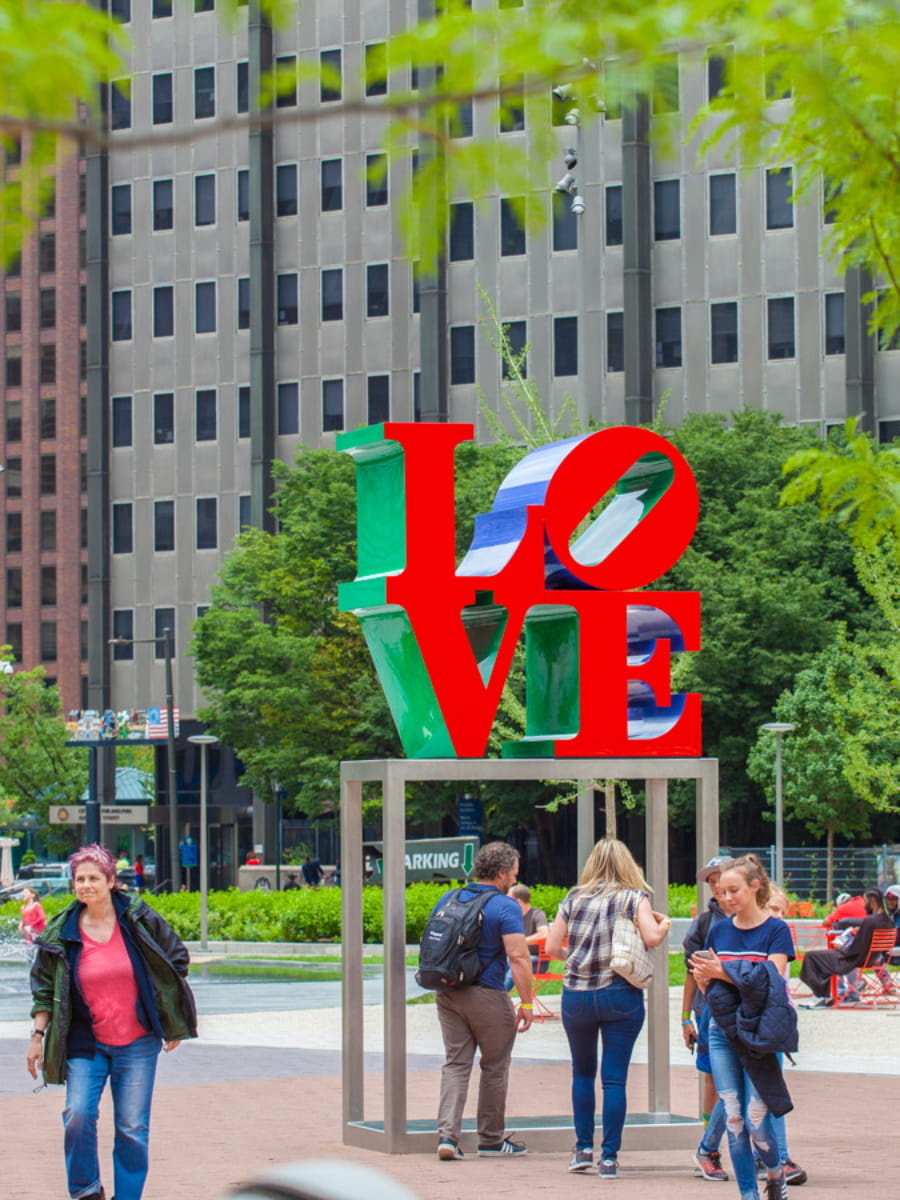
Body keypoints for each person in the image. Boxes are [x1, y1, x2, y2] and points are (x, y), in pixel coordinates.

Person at [27, 843, 197, 1200]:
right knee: (77, 1115)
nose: (86, 885)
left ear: (110, 880)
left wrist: (167, 1012)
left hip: (137, 1042)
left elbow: (176, 960)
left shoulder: (137, 918)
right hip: (85, 1042)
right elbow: (43, 989)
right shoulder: (62, 932)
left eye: (93, 878)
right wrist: (37, 1035)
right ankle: (86, 1191)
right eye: (79, 879)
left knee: (132, 1127)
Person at [545, 837, 672, 1180]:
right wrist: (663, 924)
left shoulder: (574, 897)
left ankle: (582, 1149)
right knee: (614, 1079)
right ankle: (610, 1158)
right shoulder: (634, 897)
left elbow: (552, 947)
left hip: (576, 995)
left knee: (582, 1073)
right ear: (628, 864)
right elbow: (653, 938)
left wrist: (575, 957)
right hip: (619, 992)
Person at [690, 855, 796, 1200]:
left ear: (754, 887)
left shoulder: (776, 930)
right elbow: (710, 981)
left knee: (756, 1117)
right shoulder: (719, 930)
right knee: (734, 1118)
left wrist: (724, 973)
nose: (726, 898)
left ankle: (776, 1174)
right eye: (722, 892)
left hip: (761, 1033)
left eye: (733, 890)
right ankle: (748, 1194)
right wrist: (712, 980)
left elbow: (771, 980)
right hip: (722, 1030)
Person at [434, 841, 533, 1161]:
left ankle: (447, 1137)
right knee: (495, 1065)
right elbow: (518, 957)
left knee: (455, 1063)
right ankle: (490, 1140)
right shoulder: (505, 906)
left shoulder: (450, 897)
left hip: (448, 992)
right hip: (487, 993)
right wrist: (527, 1003)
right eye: (514, 874)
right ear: (501, 873)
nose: (515, 880)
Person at [680, 856, 733, 1183]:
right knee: (713, 1079)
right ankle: (710, 1146)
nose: (716, 886)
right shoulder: (704, 923)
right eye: (711, 881)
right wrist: (685, 1017)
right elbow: (691, 972)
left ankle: (763, 1151)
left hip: (747, 1012)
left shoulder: (756, 919)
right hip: (710, 1012)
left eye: (720, 879)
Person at [800, 888, 894, 1005]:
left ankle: (821, 995)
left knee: (811, 957)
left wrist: (841, 947)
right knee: (821, 958)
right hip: (873, 958)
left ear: (873, 901)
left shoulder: (869, 921)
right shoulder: (888, 920)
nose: (864, 906)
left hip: (852, 959)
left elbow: (855, 949)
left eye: (865, 902)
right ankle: (823, 995)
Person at [503, 883, 549, 991]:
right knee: (498, 964)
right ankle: (493, 995)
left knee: (515, 965)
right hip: (518, 957)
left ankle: (500, 996)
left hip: (538, 961)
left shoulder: (537, 914)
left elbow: (544, 934)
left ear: (518, 901)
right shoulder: (512, 917)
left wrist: (522, 941)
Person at [18, 886, 47, 963]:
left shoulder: (36, 905)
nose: (23, 894)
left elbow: (42, 917)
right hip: (28, 937)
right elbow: (25, 918)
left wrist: (31, 926)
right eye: (22, 893)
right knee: (29, 958)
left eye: (25, 892)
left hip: (39, 935)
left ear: (32, 895)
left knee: (38, 958)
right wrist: (21, 924)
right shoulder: (22, 908)